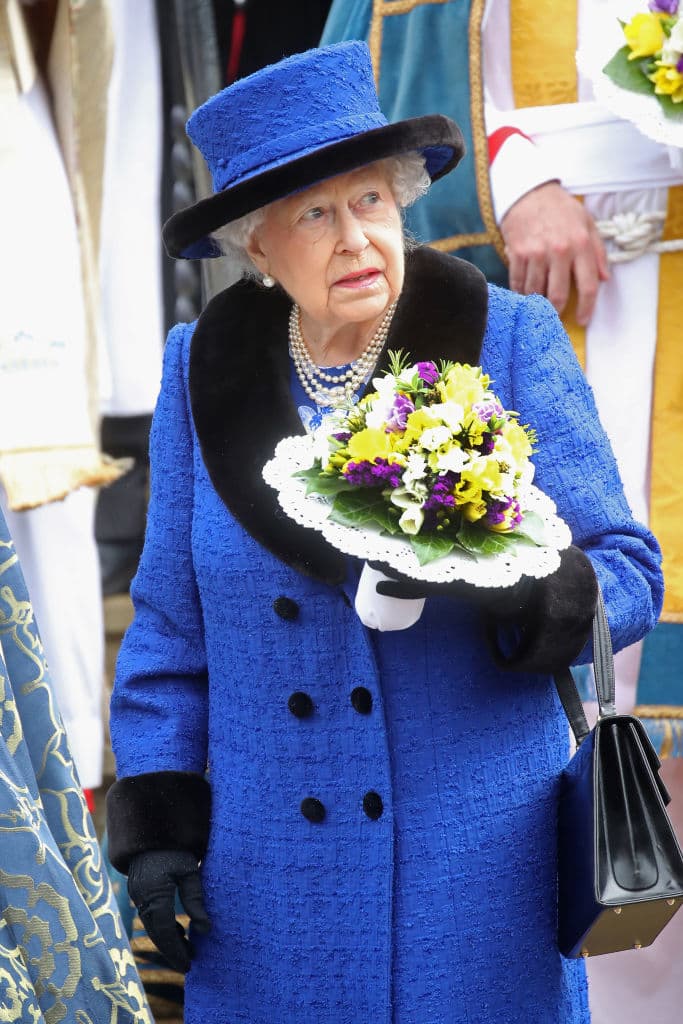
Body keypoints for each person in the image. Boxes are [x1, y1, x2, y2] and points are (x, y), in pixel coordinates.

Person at [105, 42, 663, 1024]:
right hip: (272, 886)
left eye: (370, 201)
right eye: (314, 214)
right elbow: (168, 622)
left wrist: (527, 585)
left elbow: (627, 570)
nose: (354, 237)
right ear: (255, 244)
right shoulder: (199, 370)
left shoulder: (507, 339)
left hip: (480, 874)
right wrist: (156, 823)